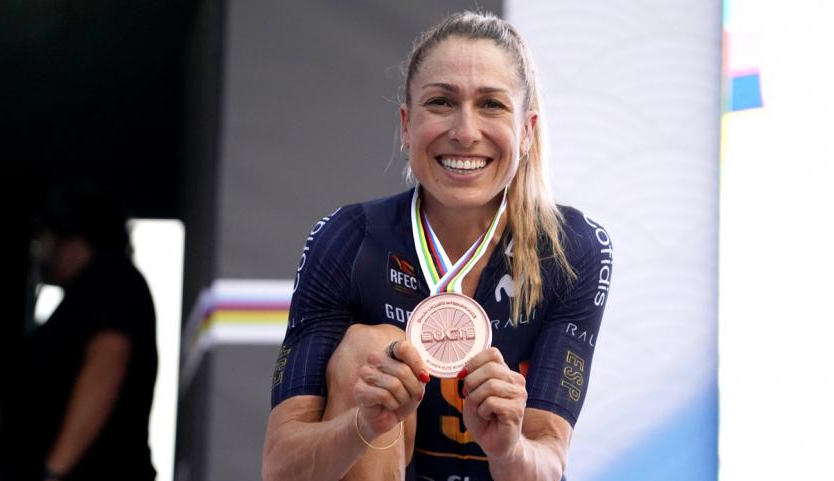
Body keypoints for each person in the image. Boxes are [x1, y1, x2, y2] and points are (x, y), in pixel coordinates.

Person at [262, 10, 613, 481]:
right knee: (371, 347)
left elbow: (547, 462)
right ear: (406, 126)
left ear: (527, 131)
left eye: (491, 104)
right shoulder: (347, 239)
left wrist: (508, 448)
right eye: (441, 102)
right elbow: (280, 467)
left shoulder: (572, 249)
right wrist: (363, 425)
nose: (465, 132)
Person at [0, 184, 158, 481]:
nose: (38, 251)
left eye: (42, 238)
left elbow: (106, 365)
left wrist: (54, 470)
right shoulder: (85, 294)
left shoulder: (111, 281)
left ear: (69, 237)